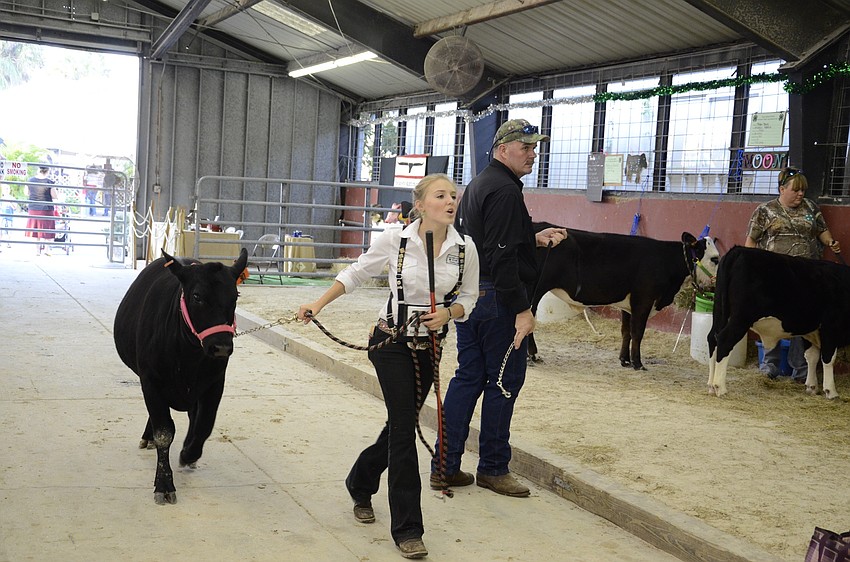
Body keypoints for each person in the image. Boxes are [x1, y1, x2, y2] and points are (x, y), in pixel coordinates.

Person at [296, 174, 480, 560]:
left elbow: (469, 297)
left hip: (429, 347)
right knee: (403, 429)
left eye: (453, 196)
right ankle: (408, 529)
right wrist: (318, 304)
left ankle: (360, 482)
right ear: (420, 204)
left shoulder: (465, 248)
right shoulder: (395, 240)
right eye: (441, 195)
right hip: (390, 343)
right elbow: (356, 273)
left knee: (400, 424)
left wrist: (448, 312)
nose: (450, 202)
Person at [432, 119, 568, 498]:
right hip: (498, 300)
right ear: (502, 149)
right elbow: (502, 255)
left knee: (468, 378)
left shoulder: (479, 185)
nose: (533, 153)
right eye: (525, 147)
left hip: (471, 296)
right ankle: (493, 467)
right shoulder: (506, 192)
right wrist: (522, 310)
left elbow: (491, 241)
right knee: (504, 382)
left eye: (534, 146)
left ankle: (444, 466)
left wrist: (531, 238)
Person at [745, 166, 840, 381]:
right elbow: (751, 240)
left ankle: (801, 370)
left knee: (803, 320)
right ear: (782, 189)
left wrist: (831, 242)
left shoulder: (810, 208)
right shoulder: (765, 210)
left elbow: (822, 231)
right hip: (774, 275)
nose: (800, 194)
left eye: (803, 191)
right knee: (771, 319)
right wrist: (750, 269)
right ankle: (769, 365)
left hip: (806, 277)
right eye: (796, 190)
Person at [25, 165, 59, 256]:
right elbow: (55, 196)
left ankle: (37, 251)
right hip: (46, 209)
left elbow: (26, 193)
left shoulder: (30, 180)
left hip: (33, 208)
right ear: (47, 171)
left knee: (36, 230)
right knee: (47, 229)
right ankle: (47, 250)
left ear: (38, 170)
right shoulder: (49, 182)